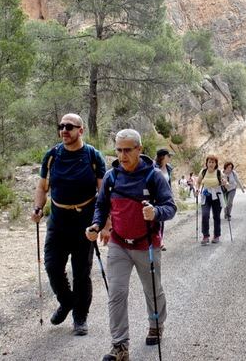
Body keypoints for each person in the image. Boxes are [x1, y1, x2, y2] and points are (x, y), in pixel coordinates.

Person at [86, 129, 176, 361]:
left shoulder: (154, 176)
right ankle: (120, 346)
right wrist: (96, 225)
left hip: (147, 244)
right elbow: (101, 205)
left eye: (128, 150)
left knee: (152, 289)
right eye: (119, 150)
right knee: (116, 293)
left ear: (139, 149)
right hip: (118, 244)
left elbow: (170, 207)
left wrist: (155, 212)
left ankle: (156, 325)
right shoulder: (111, 176)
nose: (123, 155)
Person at [31, 113, 106, 336]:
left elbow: (103, 192)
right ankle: (66, 301)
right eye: (61, 126)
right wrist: (37, 208)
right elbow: (42, 187)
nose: (64, 130)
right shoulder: (52, 155)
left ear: (80, 130)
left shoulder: (93, 156)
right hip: (58, 219)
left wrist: (105, 222)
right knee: (53, 265)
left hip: (85, 221)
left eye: (69, 127)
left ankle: (80, 318)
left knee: (81, 272)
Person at [196, 154, 227, 245]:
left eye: (213, 162)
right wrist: (197, 189)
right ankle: (206, 236)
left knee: (216, 216)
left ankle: (216, 236)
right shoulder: (203, 171)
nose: (211, 164)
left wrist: (225, 182)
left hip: (217, 196)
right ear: (207, 163)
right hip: (206, 196)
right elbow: (198, 182)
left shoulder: (218, 172)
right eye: (209, 162)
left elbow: (224, 181)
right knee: (205, 215)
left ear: (216, 163)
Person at [154, 148, 173, 251]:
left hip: (165, 196)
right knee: (158, 219)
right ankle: (158, 240)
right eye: (168, 156)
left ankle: (160, 240)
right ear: (162, 157)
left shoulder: (169, 168)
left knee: (162, 219)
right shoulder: (154, 167)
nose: (169, 158)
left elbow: (169, 183)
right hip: (156, 196)